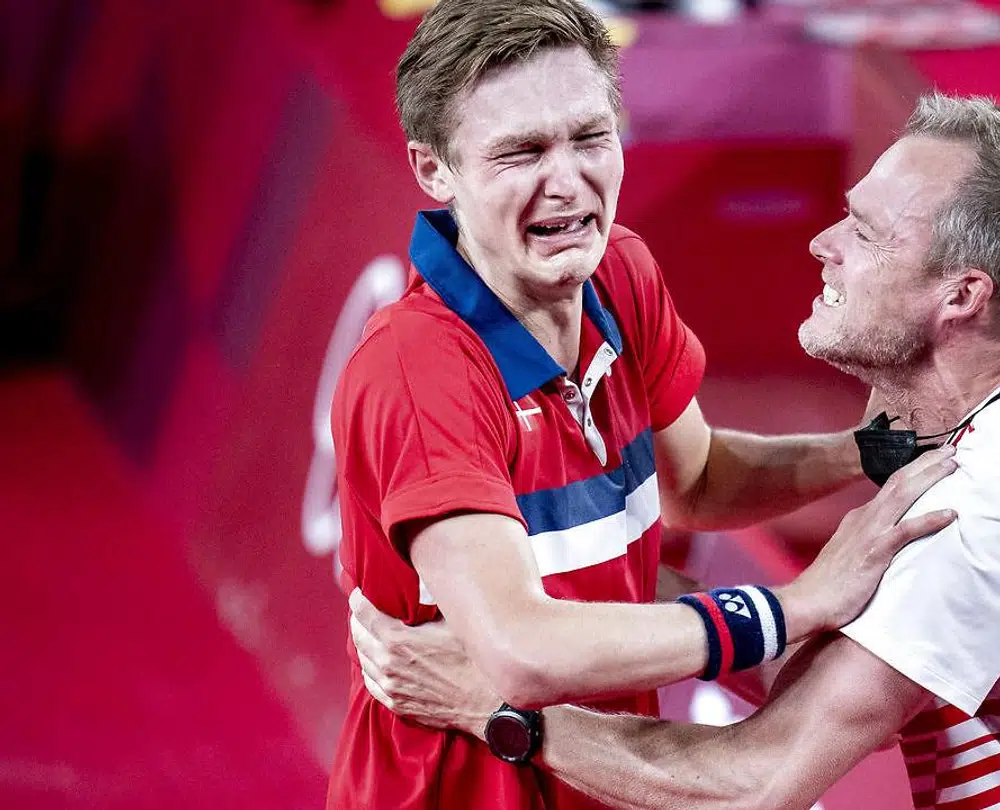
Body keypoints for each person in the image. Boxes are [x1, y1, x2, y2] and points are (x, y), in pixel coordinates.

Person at [352, 94, 1000, 810]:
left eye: (865, 234)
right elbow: (845, 672)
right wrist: (588, 599)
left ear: (961, 296)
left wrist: (493, 708)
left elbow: (752, 784)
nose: (823, 243)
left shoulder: (986, 505)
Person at [325, 0, 960, 807]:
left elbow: (696, 483)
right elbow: (522, 650)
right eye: (521, 151)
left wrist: (861, 452)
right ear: (434, 170)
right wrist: (792, 607)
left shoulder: (619, 276)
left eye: (590, 137)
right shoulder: (420, 370)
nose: (568, 182)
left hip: (609, 774)